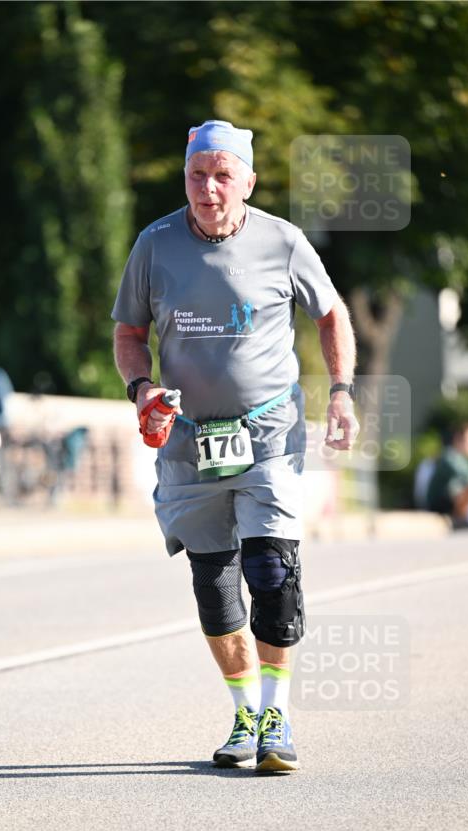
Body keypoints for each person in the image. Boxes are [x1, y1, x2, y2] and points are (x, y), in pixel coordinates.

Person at [112, 120, 359, 773]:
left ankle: (275, 717)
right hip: (189, 442)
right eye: (198, 174)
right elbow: (129, 330)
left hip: (268, 435)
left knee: (272, 573)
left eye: (223, 175)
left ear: (247, 180)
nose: (209, 189)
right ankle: (245, 714)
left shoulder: (282, 241)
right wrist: (140, 388)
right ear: (184, 177)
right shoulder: (155, 244)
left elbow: (330, 314)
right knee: (214, 587)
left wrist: (340, 391)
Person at [426, 419, 468, 531]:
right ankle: (464, 519)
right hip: (441, 505)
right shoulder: (449, 457)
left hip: (455, 502)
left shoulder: (466, 461)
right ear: (458, 439)